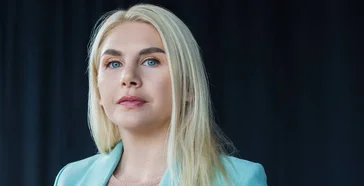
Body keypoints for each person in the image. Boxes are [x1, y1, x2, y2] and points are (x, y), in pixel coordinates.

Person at [53, 3, 267, 186]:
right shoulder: (72, 179)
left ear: (188, 86)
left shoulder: (239, 180)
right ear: (98, 89)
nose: (128, 77)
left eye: (151, 61)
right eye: (114, 63)